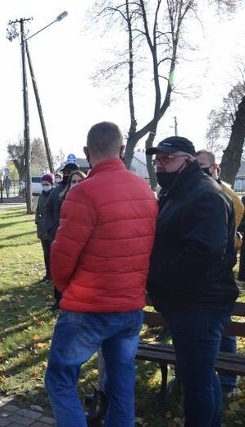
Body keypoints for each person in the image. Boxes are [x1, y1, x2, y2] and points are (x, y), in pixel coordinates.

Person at [45, 122, 158, 426]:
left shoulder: (83, 193)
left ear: (86, 153)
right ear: (122, 150)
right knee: (121, 383)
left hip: (88, 307)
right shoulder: (145, 190)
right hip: (129, 306)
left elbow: (62, 255)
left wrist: (66, 288)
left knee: (59, 378)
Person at [146, 136, 239, 426]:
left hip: (199, 305)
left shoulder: (205, 195)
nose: (160, 164)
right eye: (157, 159)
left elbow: (204, 253)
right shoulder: (178, 191)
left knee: (196, 382)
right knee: (199, 375)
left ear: (187, 160)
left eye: (167, 158)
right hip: (186, 303)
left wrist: (158, 274)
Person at [196, 149, 244, 396]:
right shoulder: (194, 190)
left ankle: (227, 381)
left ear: (214, 167)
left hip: (219, 274)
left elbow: (226, 234)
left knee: (224, 327)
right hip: (196, 279)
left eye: (202, 166)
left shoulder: (227, 195)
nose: (198, 171)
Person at [44, 162, 80, 309]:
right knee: (59, 267)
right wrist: (51, 228)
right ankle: (58, 299)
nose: (66, 174)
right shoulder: (57, 191)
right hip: (58, 234)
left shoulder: (84, 190)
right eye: (65, 172)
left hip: (77, 236)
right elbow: (48, 210)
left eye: (70, 172)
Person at [34, 174, 54, 281]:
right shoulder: (41, 195)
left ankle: (54, 275)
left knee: (52, 254)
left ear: (51, 184)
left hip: (51, 229)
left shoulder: (54, 194)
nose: (45, 186)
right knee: (46, 253)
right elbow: (38, 210)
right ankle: (48, 274)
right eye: (43, 184)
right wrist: (38, 220)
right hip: (42, 229)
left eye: (47, 184)